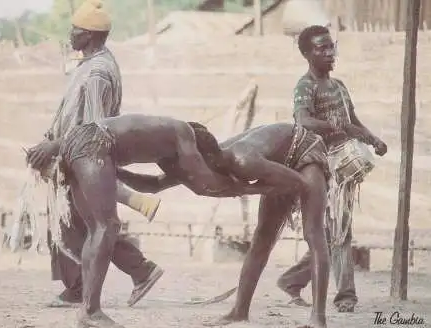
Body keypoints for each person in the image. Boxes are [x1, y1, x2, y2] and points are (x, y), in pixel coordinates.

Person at [27, 114, 292, 328]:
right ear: (203, 152)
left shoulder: (168, 155)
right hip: (94, 145)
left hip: (82, 143)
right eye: (206, 159)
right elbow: (205, 182)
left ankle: (88, 308)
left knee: (96, 228)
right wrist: (255, 187)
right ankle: (91, 311)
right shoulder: (184, 133)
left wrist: (114, 171)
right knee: (107, 227)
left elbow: (152, 185)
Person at [116, 120, 334, 328]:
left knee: (313, 233)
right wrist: (114, 170)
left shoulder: (243, 160)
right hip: (275, 164)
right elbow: (153, 185)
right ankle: (240, 311)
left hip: (305, 152)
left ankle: (318, 317)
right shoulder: (197, 162)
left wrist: (251, 189)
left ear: (205, 157)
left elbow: (300, 184)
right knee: (261, 239)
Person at [43, 0, 163, 309]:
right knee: (81, 221)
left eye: (75, 30)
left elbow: (94, 127)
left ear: (91, 35)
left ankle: (125, 275)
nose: (70, 35)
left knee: (82, 221)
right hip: (76, 155)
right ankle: (133, 272)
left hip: (85, 156)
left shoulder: (97, 72)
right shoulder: (91, 64)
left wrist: (55, 146)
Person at [276, 25, 387, 314]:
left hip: (343, 167)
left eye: (330, 46)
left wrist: (372, 139)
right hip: (318, 167)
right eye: (321, 48)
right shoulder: (305, 86)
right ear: (306, 54)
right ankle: (345, 296)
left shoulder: (338, 86)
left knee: (334, 231)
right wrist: (336, 127)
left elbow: (354, 121)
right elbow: (303, 121)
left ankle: (291, 280)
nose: (329, 52)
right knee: (339, 231)